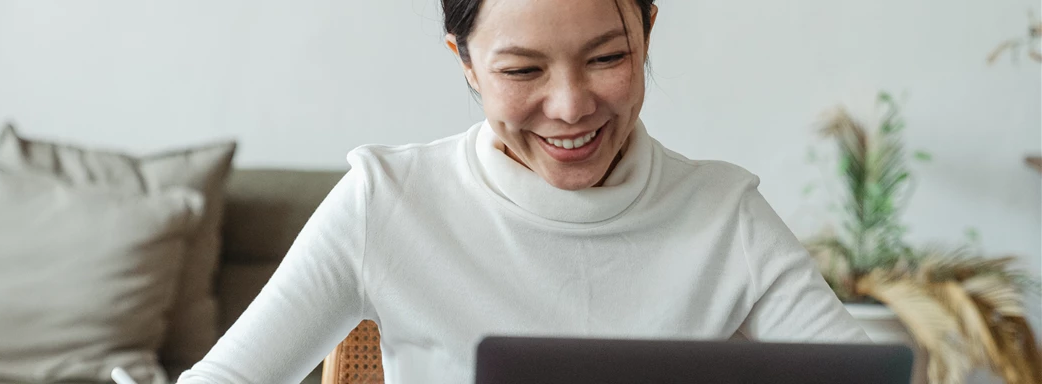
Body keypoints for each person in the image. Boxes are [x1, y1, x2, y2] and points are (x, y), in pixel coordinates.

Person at [177, 0, 869, 382]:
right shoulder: (387, 201)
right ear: (468, 64)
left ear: (649, 30)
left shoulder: (725, 215)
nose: (570, 107)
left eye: (607, 57)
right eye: (521, 70)